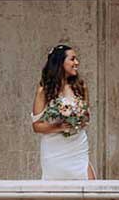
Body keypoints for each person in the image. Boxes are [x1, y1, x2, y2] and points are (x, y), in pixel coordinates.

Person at [32, 43, 94, 180]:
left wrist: (77, 119)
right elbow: (36, 126)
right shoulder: (44, 91)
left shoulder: (81, 86)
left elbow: (86, 117)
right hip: (55, 150)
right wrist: (60, 126)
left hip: (78, 146)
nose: (76, 63)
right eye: (72, 59)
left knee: (90, 186)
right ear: (60, 62)